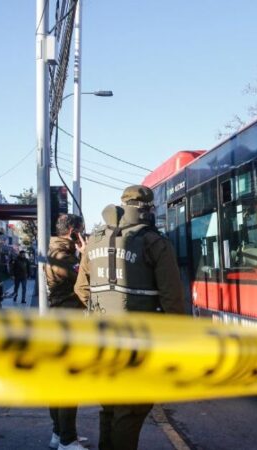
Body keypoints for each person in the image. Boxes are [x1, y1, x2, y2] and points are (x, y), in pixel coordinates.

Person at [75, 185, 185, 450]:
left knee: (110, 407)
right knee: (132, 409)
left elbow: (80, 289)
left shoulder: (95, 240)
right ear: (148, 209)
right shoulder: (155, 242)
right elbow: (172, 299)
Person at [45, 213, 89, 450]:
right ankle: (67, 440)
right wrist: (86, 255)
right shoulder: (62, 256)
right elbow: (83, 278)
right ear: (73, 231)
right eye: (81, 230)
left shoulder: (58, 251)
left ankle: (59, 433)